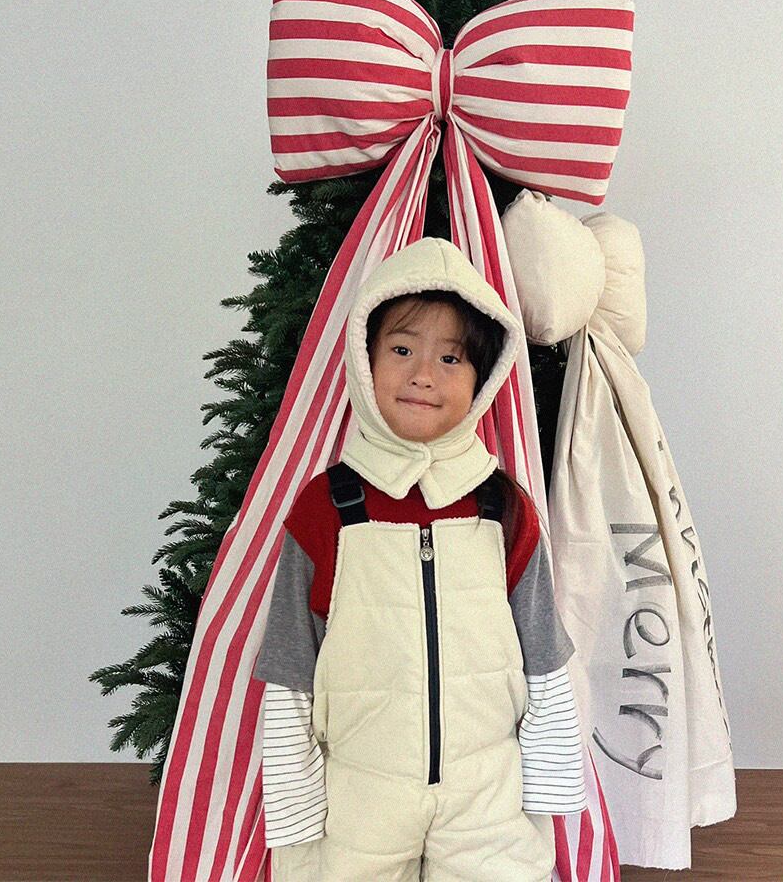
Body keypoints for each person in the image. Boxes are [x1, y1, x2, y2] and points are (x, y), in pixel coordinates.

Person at [252, 236, 587, 881]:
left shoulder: (502, 506)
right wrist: (295, 814)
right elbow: (292, 667)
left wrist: (547, 794)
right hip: (359, 799)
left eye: (451, 358)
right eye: (402, 350)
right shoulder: (326, 507)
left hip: (486, 797)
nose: (423, 375)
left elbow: (544, 655)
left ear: (482, 379)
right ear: (365, 358)